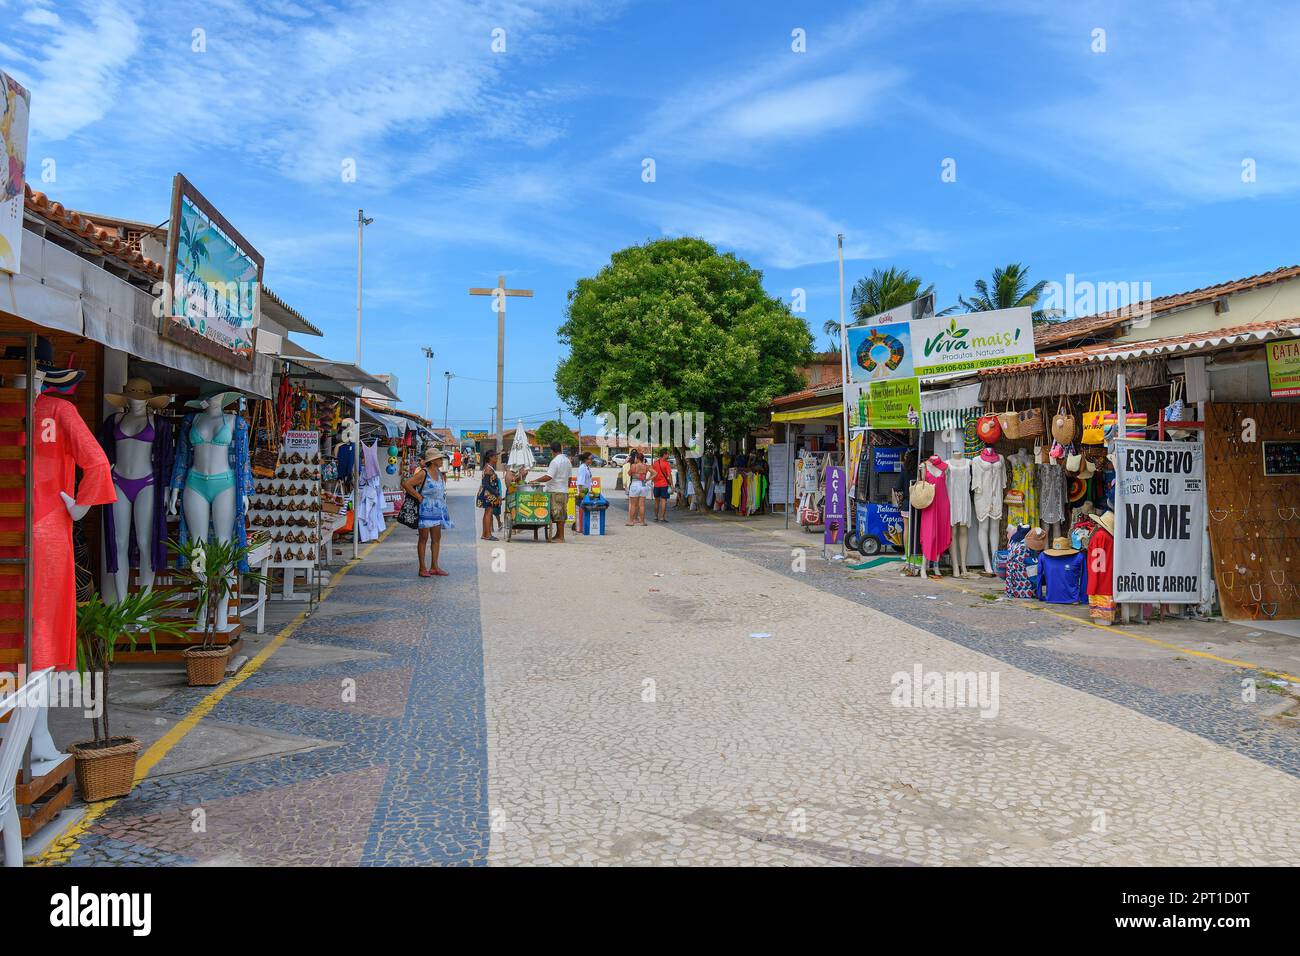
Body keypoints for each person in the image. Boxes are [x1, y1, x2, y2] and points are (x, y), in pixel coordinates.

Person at [402, 449, 454, 577]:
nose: (442, 460)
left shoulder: (439, 473)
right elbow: (407, 484)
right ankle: (422, 568)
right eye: (440, 458)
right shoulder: (423, 473)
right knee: (423, 539)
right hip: (425, 509)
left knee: (436, 538)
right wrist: (418, 496)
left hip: (437, 509)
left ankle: (434, 566)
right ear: (433, 461)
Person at [529, 440, 572, 542]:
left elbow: (549, 476)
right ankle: (558, 535)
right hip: (564, 490)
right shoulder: (567, 460)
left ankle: (561, 537)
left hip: (555, 491)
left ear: (552, 451)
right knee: (561, 513)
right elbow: (570, 478)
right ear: (560, 449)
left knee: (558, 515)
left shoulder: (555, 461)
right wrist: (566, 487)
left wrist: (535, 480)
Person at [477, 450, 501, 541]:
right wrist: (496, 493)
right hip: (488, 494)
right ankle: (488, 534)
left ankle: (485, 534)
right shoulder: (488, 469)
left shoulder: (488, 467)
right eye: (495, 456)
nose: (497, 458)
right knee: (488, 513)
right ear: (490, 457)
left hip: (487, 493)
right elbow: (485, 483)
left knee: (487, 513)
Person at [626, 450, 650, 526]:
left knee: (633, 505)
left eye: (636, 458)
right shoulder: (646, 466)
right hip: (643, 484)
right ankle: (643, 522)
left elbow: (629, 473)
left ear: (637, 458)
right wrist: (647, 479)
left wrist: (636, 474)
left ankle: (631, 521)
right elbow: (655, 473)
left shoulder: (634, 465)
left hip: (635, 484)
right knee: (642, 505)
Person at [650, 448, 673, 523]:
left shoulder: (655, 463)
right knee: (663, 501)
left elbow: (652, 473)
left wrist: (652, 481)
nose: (668, 455)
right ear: (664, 454)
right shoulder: (666, 464)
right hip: (664, 485)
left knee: (656, 501)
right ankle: (662, 517)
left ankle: (655, 516)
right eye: (667, 454)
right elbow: (669, 475)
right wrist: (672, 485)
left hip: (656, 485)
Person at [574, 452, 593, 530]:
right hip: (583, 492)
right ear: (586, 459)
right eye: (590, 459)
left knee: (584, 511)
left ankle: (582, 526)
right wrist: (582, 495)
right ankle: (579, 527)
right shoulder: (582, 468)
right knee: (581, 511)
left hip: (587, 492)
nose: (592, 460)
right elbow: (580, 482)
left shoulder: (587, 467)